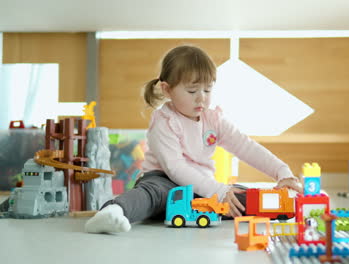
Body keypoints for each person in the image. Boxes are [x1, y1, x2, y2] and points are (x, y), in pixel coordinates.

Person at [85, 45, 302, 233]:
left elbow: (245, 146)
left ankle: (283, 208)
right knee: (149, 194)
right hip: (163, 181)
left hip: (201, 187)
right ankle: (113, 211)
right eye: (191, 91)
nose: (201, 98)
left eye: (207, 90)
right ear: (167, 89)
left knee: (241, 196)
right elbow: (175, 168)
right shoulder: (164, 120)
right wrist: (218, 191)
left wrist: (282, 172)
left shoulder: (213, 118)